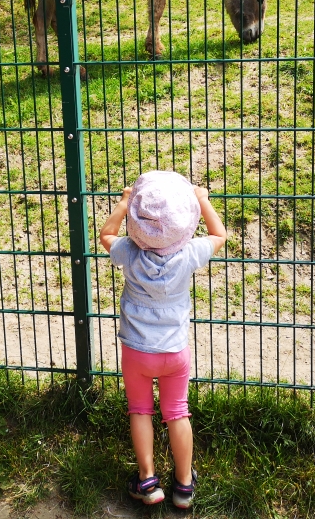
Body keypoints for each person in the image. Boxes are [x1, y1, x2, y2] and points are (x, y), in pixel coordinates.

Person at [99, 170, 227, 509]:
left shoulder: (128, 252)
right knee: (177, 413)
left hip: (137, 351)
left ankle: (148, 481)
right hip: (175, 351)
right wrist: (202, 200)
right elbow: (219, 234)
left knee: (140, 410)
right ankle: (183, 486)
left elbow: (106, 234)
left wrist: (124, 204)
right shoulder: (189, 254)